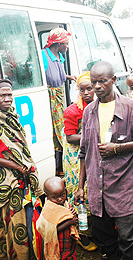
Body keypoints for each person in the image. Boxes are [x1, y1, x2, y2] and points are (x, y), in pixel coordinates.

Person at [74, 61, 133, 260]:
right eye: (94, 82)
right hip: (97, 187)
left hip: (122, 185)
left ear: (113, 80)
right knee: (104, 238)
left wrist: (118, 148)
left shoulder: (130, 107)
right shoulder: (89, 111)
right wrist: (80, 187)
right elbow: (84, 152)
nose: (97, 87)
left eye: (102, 81)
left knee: (127, 238)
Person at [0, 78, 44, 260]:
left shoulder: (10, 114)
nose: (7, 99)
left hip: (16, 177)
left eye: (10, 95)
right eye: (2, 95)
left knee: (18, 223)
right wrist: (16, 166)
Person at [62, 71, 97, 252]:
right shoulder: (73, 110)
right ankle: (81, 234)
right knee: (79, 189)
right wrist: (90, 137)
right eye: (82, 90)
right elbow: (69, 137)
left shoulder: (101, 106)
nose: (86, 93)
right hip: (76, 156)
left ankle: (95, 228)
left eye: (89, 89)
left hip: (94, 152)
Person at [41, 28, 77, 176]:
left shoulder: (59, 56)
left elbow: (58, 74)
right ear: (58, 43)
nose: (67, 47)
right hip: (51, 98)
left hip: (60, 95)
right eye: (66, 44)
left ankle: (60, 165)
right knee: (57, 130)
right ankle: (58, 166)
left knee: (61, 127)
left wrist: (69, 77)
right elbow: (46, 77)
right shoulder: (44, 56)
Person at [36, 177, 79, 260]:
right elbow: (50, 232)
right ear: (47, 196)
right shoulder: (49, 211)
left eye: (62, 195)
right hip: (59, 246)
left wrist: (72, 213)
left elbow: (70, 215)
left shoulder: (64, 204)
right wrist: (69, 222)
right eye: (55, 197)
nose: (60, 199)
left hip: (69, 243)